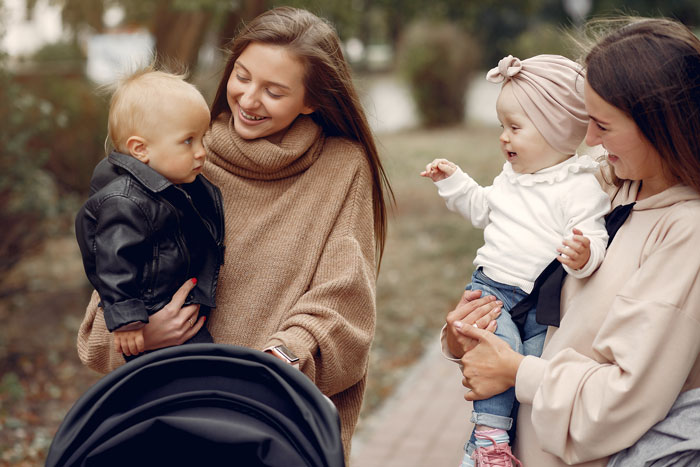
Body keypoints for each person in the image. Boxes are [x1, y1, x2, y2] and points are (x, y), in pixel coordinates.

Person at [76, 6, 393, 461]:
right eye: (242, 76)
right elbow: (100, 324)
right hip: (167, 429)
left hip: (275, 430)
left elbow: (343, 302)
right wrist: (145, 333)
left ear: (311, 100)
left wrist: (278, 363)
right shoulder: (175, 160)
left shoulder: (341, 168)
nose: (247, 98)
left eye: (274, 90)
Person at [444, 16, 700, 467]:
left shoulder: (685, 235)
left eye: (602, 125)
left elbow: (619, 401)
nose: (588, 140)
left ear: (659, 125)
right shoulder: (613, 186)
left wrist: (515, 371)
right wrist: (466, 334)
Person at [421, 54, 610, 466]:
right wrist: (454, 181)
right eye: (502, 127)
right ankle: (488, 443)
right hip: (492, 291)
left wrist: (584, 255)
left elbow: (593, 235)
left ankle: (527, 442)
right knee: (497, 348)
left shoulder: (578, 187)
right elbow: (481, 208)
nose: (504, 138)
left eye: (515, 128)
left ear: (557, 129)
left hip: (543, 302)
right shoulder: (512, 178)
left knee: (530, 365)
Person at [75, 68, 224, 360]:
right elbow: (113, 262)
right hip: (150, 313)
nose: (202, 152)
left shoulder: (172, 187)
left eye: (202, 139)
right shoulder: (126, 200)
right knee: (204, 373)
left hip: (172, 312)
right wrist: (128, 321)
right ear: (140, 149)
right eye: (188, 141)